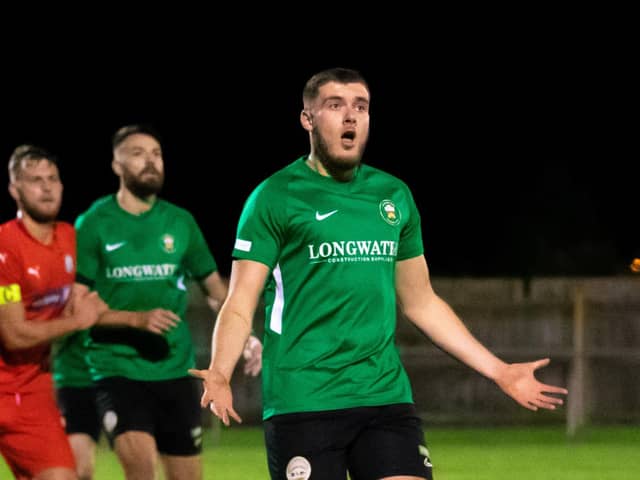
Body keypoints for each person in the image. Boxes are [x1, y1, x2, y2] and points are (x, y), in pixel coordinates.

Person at [189, 68, 569, 480]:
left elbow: (421, 302)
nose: (350, 116)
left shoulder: (393, 196)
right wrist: (222, 370)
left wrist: (499, 370)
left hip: (384, 395)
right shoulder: (274, 198)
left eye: (361, 106)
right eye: (335, 105)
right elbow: (241, 301)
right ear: (308, 119)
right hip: (305, 400)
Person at [71, 124, 262, 480]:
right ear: (116, 164)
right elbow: (77, 306)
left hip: (176, 371)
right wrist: (135, 320)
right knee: (141, 469)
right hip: (117, 370)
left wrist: (245, 334)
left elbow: (216, 291)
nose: (150, 162)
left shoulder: (181, 222)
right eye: (138, 154)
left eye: (156, 154)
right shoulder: (93, 224)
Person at [0, 145, 105, 480]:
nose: (46, 187)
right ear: (15, 191)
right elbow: (14, 335)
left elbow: (95, 301)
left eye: (52, 179)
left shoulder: (71, 238)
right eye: (34, 180)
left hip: (31, 392)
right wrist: (76, 321)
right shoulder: (4, 247)